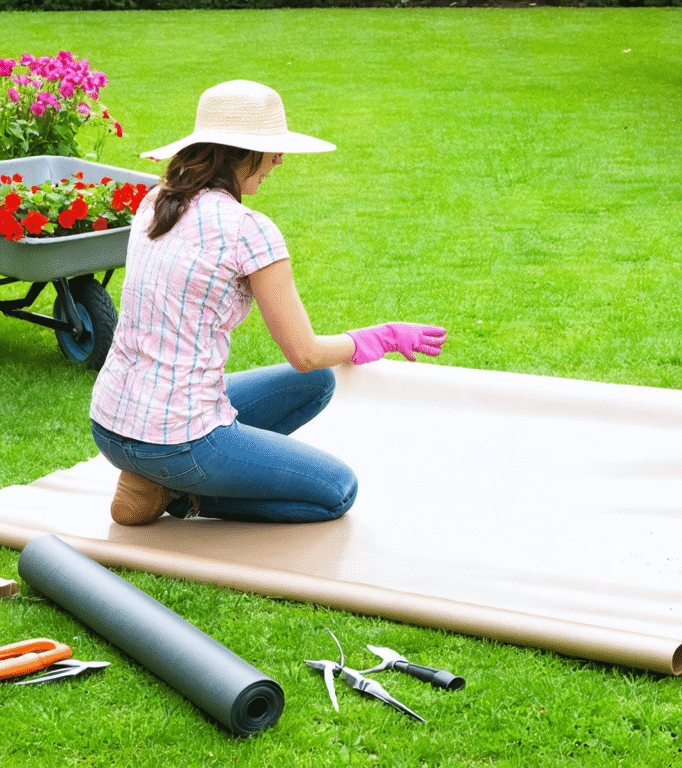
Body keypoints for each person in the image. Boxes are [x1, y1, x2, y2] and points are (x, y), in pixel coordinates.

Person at [90, 80, 447, 526]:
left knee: (317, 383)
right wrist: (382, 337)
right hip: (178, 440)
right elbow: (305, 352)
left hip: (109, 425)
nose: (280, 159)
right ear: (235, 151)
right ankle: (183, 493)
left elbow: (309, 369)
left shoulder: (156, 201)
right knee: (337, 491)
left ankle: (153, 477)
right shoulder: (248, 229)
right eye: (270, 148)